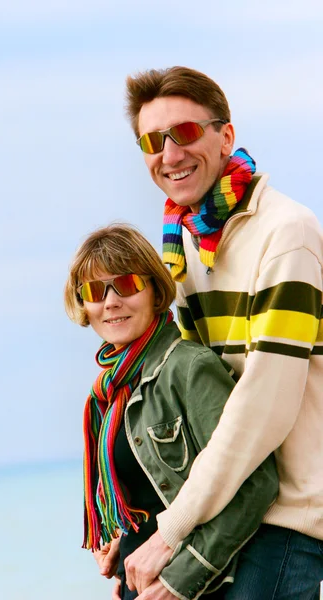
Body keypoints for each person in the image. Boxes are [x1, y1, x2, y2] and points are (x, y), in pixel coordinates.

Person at [123, 66, 323, 599]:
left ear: (225, 135)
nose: (169, 154)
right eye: (152, 140)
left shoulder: (287, 233)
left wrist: (171, 531)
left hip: (287, 521)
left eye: (185, 133)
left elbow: (265, 402)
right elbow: (181, 390)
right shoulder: (181, 245)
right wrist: (131, 518)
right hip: (228, 516)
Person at [64, 223, 278, 600]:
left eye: (126, 284)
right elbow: (147, 500)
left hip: (196, 586)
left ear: (155, 290)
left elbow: (256, 483)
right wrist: (124, 558)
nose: (110, 301)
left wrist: (177, 582)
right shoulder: (108, 394)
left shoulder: (189, 368)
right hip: (142, 582)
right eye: (95, 291)